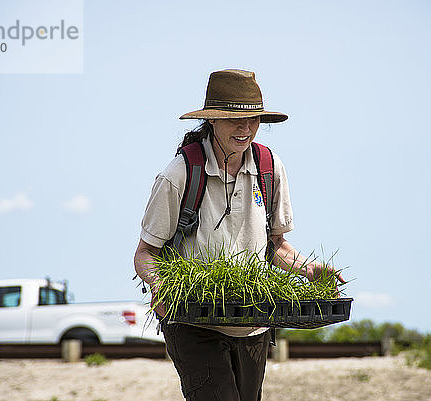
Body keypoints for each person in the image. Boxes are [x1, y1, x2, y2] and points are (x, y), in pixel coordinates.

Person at [134, 69, 344, 401]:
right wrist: (160, 285)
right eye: (235, 119)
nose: (245, 129)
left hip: (255, 320)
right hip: (194, 320)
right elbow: (145, 253)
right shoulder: (179, 175)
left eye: (254, 119)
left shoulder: (268, 167)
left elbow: (276, 247)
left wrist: (311, 269)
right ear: (213, 120)